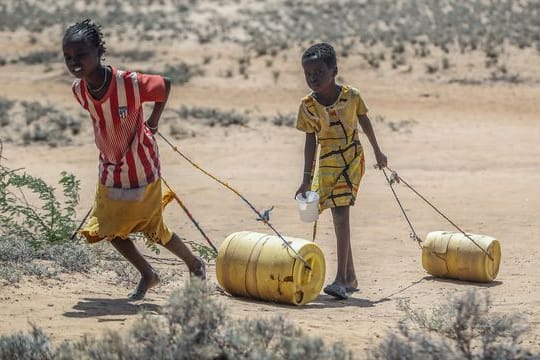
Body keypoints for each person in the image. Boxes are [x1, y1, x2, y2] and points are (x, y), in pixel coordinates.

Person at [62, 19, 205, 300]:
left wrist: (153, 119)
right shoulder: (79, 90)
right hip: (110, 167)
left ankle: (194, 264)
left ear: (99, 52)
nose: (75, 62)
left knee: (153, 228)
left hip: (141, 164)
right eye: (68, 57)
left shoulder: (128, 83)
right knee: (108, 228)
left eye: (81, 55)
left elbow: (164, 85)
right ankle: (148, 275)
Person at [295, 43, 387, 300]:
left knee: (340, 213)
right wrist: (305, 179)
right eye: (308, 74)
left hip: (350, 158)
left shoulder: (351, 96)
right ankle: (351, 276)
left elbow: (364, 121)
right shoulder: (307, 105)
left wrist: (378, 152)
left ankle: (341, 280)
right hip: (326, 163)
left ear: (334, 70)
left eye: (319, 73)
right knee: (326, 212)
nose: (313, 79)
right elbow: (310, 141)